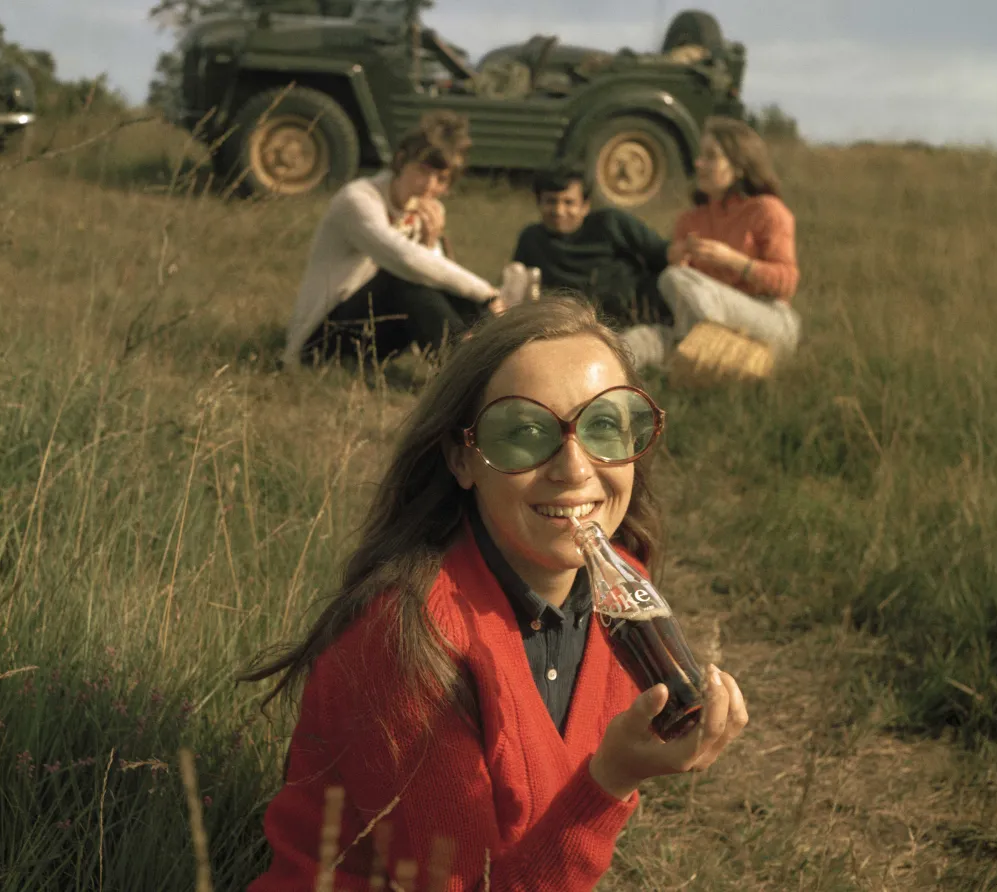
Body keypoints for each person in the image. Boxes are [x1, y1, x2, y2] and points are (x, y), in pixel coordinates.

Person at [243, 295, 750, 891]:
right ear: (464, 457)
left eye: (605, 425)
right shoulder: (407, 640)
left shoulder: (621, 591)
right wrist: (610, 781)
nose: (574, 467)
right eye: (524, 432)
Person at [283, 111, 504, 368]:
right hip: (322, 336)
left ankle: (492, 360)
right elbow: (402, 258)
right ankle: (460, 368)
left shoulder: (427, 209)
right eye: (423, 171)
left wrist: (430, 242)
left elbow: (435, 279)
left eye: (441, 179)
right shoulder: (358, 199)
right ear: (401, 161)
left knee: (452, 289)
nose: (430, 186)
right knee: (404, 276)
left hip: (379, 332)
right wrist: (486, 293)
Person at [620, 116, 801, 372]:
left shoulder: (768, 210)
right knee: (636, 339)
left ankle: (698, 356)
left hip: (768, 319)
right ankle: (601, 380)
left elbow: (787, 283)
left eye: (710, 156)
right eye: (700, 156)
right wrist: (678, 259)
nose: (699, 163)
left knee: (676, 279)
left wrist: (731, 260)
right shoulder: (690, 220)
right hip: (701, 322)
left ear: (739, 167)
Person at [507, 166, 674, 328]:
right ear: (539, 203)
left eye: (569, 202)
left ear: (585, 206)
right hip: (571, 324)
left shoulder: (611, 224)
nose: (559, 210)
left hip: (635, 318)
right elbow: (518, 289)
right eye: (551, 201)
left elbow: (663, 254)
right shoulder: (532, 239)